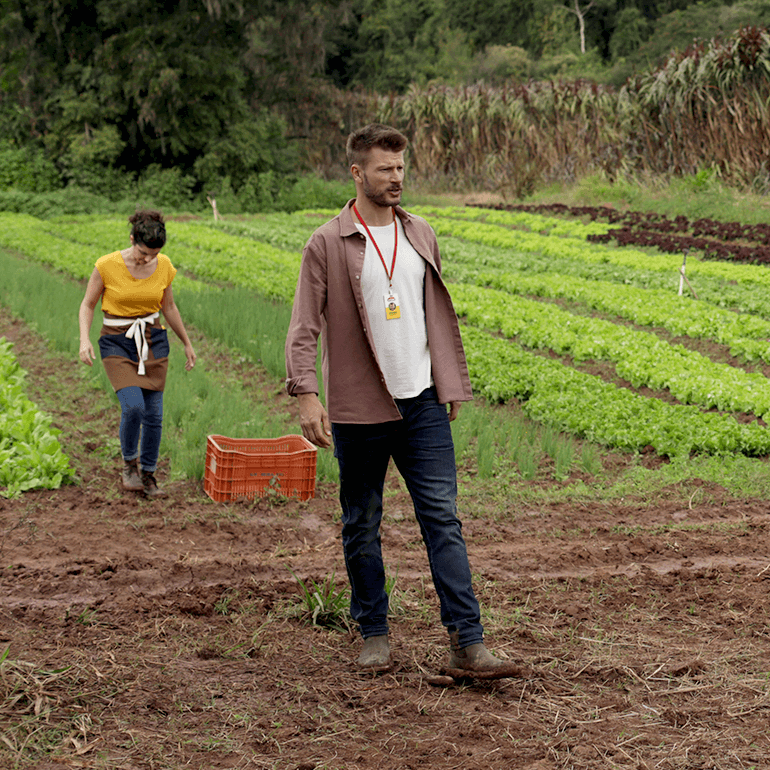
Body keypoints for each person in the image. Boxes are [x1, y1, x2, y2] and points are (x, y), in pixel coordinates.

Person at [285, 124, 514, 676]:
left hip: (423, 403)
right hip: (360, 407)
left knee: (442, 518)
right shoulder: (328, 242)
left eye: (402, 167)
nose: (397, 178)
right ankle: (374, 633)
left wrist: (451, 382)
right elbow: (303, 327)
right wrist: (306, 394)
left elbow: (436, 314)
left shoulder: (421, 233)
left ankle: (467, 642)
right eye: (386, 169)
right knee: (362, 520)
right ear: (357, 173)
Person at [78, 210, 196, 498]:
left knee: (154, 414)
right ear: (132, 239)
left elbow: (168, 307)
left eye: (154, 254)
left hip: (152, 340)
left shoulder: (164, 265)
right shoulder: (106, 265)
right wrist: (84, 339)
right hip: (117, 342)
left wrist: (187, 342)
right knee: (133, 407)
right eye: (143, 253)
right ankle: (129, 465)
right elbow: (87, 305)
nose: (148, 259)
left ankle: (149, 474)